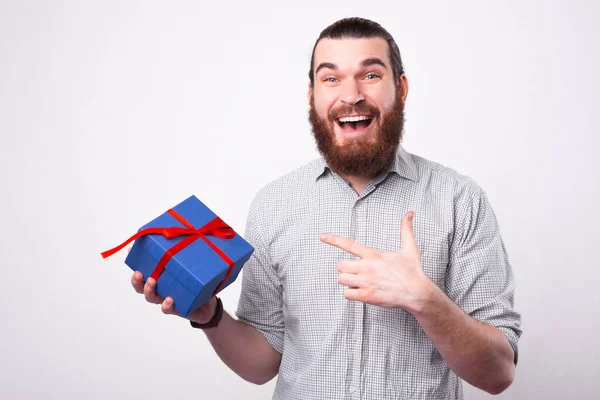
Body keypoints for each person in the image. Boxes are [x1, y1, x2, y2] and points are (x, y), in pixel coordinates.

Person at [131, 17, 522, 399]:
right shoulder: (274, 204)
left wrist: (425, 301)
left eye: (370, 75)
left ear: (401, 89)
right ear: (312, 94)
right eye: (330, 78)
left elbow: (497, 374)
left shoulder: (458, 200)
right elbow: (262, 365)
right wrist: (210, 316)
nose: (350, 95)